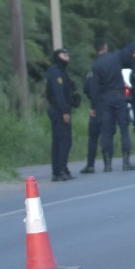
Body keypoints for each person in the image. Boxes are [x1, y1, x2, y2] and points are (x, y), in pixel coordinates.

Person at [90, 35, 135, 172]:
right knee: (124, 129)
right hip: (120, 96)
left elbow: (94, 88)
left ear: (96, 50)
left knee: (106, 131)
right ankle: (126, 162)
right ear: (105, 47)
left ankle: (107, 164)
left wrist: (93, 106)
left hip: (105, 99)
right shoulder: (115, 57)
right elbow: (129, 49)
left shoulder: (95, 65)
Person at [45, 48, 77, 181]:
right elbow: (58, 94)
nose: (67, 56)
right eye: (64, 54)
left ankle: (58, 171)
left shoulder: (60, 72)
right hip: (59, 111)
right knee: (64, 141)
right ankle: (61, 170)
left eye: (67, 54)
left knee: (59, 141)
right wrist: (65, 111)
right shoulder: (56, 73)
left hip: (59, 109)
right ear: (58, 57)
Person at [79, 55, 100, 175]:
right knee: (107, 137)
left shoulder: (91, 74)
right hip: (107, 109)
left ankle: (90, 164)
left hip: (94, 109)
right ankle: (108, 164)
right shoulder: (108, 73)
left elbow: (86, 89)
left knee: (93, 139)